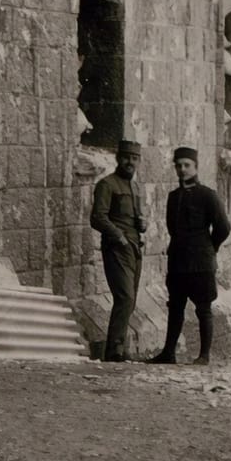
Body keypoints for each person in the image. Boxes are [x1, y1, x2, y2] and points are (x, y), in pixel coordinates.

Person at [148, 145, 230, 365]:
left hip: (201, 263)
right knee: (175, 307)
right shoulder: (174, 197)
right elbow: (172, 228)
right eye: (178, 166)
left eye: (187, 165)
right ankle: (168, 353)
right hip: (178, 262)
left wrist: (209, 248)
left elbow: (223, 227)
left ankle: (204, 355)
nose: (182, 169)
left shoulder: (208, 195)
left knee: (203, 308)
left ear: (195, 167)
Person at [89, 139, 145, 361]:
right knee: (125, 296)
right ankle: (114, 350)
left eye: (134, 158)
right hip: (116, 248)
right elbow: (97, 217)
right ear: (118, 158)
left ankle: (120, 345)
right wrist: (118, 236)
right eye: (126, 158)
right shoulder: (107, 185)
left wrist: (142, 224)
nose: (130, 162)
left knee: (131, 299)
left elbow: (136, 217)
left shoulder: (135, 187)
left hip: (135, 248)